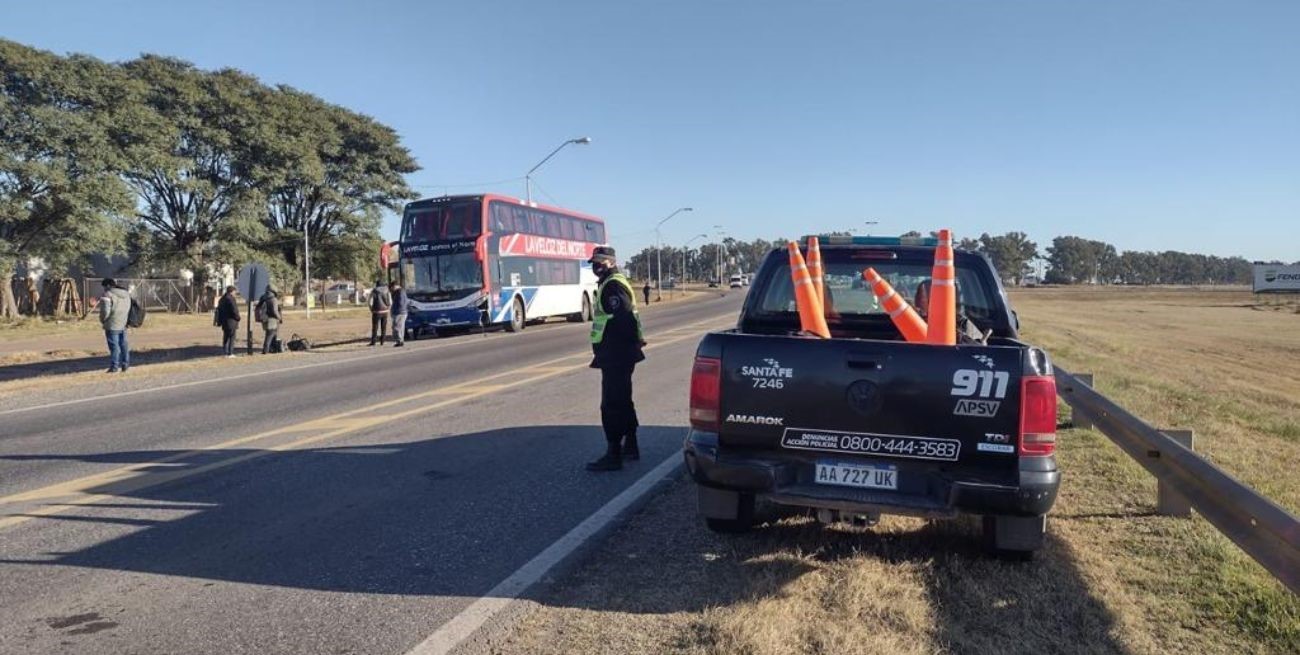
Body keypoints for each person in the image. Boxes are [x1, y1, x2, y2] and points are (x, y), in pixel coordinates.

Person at [585, 246, 646, 472]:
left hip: (616, 354)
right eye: (593, 262)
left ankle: (614, 453)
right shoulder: (612, 282)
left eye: (599, 262)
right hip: (620, 352)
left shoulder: (612, 285)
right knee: (623, 400)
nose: (595, 266)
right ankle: (631, 446)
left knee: (611, 404)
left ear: (610, 262)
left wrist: (625, 345)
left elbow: (625, 318)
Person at [98, 278, 132, 373]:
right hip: (123, 323)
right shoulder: (126, 294)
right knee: (124, 345)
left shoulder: (107, 295)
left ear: (108, 286)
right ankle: (125, 364)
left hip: (112, 324)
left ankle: (114, 366)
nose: (104, 289)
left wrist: (103, 320)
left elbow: (105, 312)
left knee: (114, 346)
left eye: (104, 287)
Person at [215, 286, 241, 358]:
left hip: (224, 321)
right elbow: (234, 310)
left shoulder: (222, 299)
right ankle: (230, 352)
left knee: (226, 337)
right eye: (235, 292)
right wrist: (238, 317)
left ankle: (225, 352)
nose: (235, 293)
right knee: (232, 337)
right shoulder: (231, 299)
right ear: (232, 291)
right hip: (231, 320)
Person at [257, 287, 283, 354]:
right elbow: (275, 311)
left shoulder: (263, 298)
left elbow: (258, 307)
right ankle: (265, 350)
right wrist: (279, 318)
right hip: (272, 319)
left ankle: (273, 349)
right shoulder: (273, 299)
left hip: (264, 319)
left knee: (272, 334)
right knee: (270, 335)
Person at [368, 279, 392, 346]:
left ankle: (373, 341)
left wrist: (371, 309)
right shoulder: (387, 290)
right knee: (383, 327)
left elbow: (370, 301)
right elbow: (390, 301)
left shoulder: (374, 290)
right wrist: (388, 308)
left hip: (376, 311)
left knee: (375, 327)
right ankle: (382, 341)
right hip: (385, 311)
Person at [389, 281, 409, 347]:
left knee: (397, 327)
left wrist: (396, 310)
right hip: (401, 312)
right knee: (400, 327)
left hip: (399, 312)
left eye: (392, 287)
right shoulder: (400, 291)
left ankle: (399, 341)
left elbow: (401, 303)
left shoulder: (400, 292)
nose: (392, 289)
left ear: (395, 286)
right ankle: (400, 340)